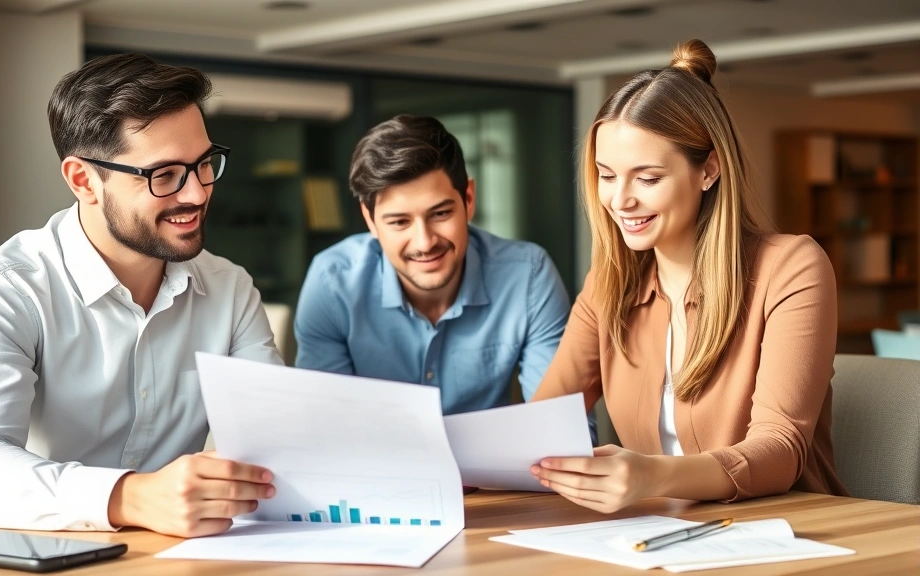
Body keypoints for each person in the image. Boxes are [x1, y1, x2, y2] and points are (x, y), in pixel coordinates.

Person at [0, 53, 281, 537]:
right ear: (83, 180)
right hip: (12, 554)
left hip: (159, 558)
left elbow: (276, 442)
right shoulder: (3, 287)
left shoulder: (229, 287)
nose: (198, 193)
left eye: (204, 165)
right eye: (164, 175)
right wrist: (132, 496)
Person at [530, 39, 848, 513]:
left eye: (648, 178)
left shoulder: (791, 268)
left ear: (709, 170)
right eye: (606, 175)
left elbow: (781, 450)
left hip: (783, 530)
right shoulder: (609, 284)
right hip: (658, 532)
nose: (619, 200)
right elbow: (541, 425)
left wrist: (649, 475)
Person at [295, 114, 596, 442]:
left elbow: (564, 432)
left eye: (440, 214)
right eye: (399, 222)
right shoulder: (332, 282)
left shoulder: (527, 274)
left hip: (493, 486)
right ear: (370, 219)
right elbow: (322, 432)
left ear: (468, 199)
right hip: (376, 486)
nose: (424, 242)